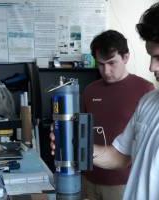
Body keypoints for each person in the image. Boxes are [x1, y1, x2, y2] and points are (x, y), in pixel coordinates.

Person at [51, 29, 154, 200]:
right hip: (88, 177)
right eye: (100, 64)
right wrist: (65, 137)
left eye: (112, 63)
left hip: (122, 183)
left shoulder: (146, 92)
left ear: (126, 57)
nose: (106, 71)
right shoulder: (90, 90)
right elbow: (78, 127)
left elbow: (125, 153)